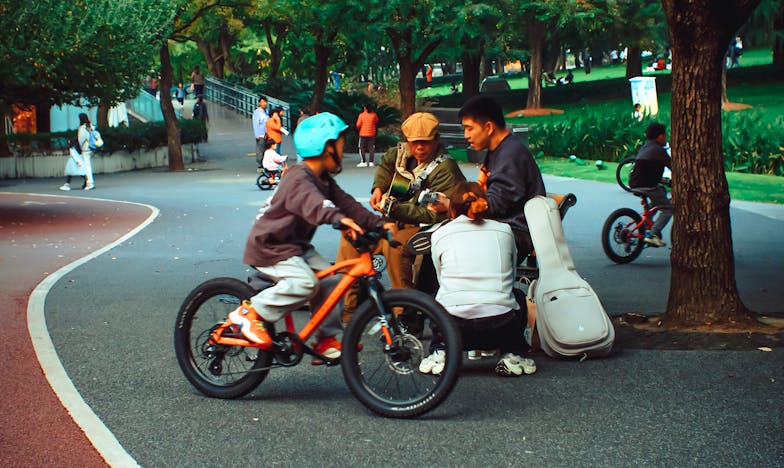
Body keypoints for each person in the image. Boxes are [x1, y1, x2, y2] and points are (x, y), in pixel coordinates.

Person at [226, 113, 396, 362]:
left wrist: (378, 224)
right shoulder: (298, 177)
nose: (342, 150)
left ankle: (325, 339)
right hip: (271, 246)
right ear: (327, 148)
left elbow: (348, 204)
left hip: (294, 247)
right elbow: (314, 204)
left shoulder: (323, 180)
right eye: (340, 144)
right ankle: (249, 313)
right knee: (306, 283)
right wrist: (338, 219)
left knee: (330, 281)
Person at [335, 112, 466, 323]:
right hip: (395, 221)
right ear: (406, 141)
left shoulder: (446, 169)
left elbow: (433, 215)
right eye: (414, 143)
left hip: (428, 228)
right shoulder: (401, 153)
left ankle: (405, 313)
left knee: (394, 245)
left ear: (436, 140)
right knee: (352, 235)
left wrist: (395, 209)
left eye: (425, 142)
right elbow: (386, 165)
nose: (419, 148)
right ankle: (350, 308)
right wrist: (378, 187)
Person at [419, 182, 536, 377]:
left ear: (453, 208)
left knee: (437, 296)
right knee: (517, 295)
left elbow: (441, 278)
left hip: (453, 330)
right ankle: (513, 353)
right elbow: (511, 272)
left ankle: (441, 351)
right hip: (501, 326)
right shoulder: (505, 230)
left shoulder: (439, 234)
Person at [452, 95, 546, 263]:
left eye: (470, 128)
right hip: (500, 227)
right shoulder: (498, 151)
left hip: (513, 233)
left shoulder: (510, 155)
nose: (466, 135)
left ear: (488, 127)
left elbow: (496, 205)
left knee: (445, 245)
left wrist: (453, 205)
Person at [629, 122, 672, 247]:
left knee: (661, 191)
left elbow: (649, 171)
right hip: (647, 185)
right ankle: (652, 233)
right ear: (660, 136)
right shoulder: (659, 150)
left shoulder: (645, 147)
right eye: (665, 135)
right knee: (668, 209)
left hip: (634, 182)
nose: (666, 138)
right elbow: (674, 166)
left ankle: (647, 222)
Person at [74, 113, 95, 190]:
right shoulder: (91, 126)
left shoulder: (82, 128)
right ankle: (89, 182)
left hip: (85, 149)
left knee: (87, 167)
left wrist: (79, 147)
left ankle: (89, 183)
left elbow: (81, 140)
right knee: (88, 166)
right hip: (91, 148)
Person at [355, 103, 379, 167]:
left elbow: (358, 125)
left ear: (365, 108)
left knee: (361, 147)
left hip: (363, 133)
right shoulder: (374, 115)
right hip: (372, 133)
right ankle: (371, 162)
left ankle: (364, 162)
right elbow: (377, 121)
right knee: (371, 147)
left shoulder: (361, 115)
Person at [253, 96, 270, 167]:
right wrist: (257, 135)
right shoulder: (257, 112)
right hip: (261, 134)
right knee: (260, 149)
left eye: (265, 102)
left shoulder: (266, 111)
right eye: (262, 102)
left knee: (266, 149)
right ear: (259, 103)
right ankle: (260, 163)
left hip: (267, 134)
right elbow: (256, 124)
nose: (264, 104)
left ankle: (266, 163)